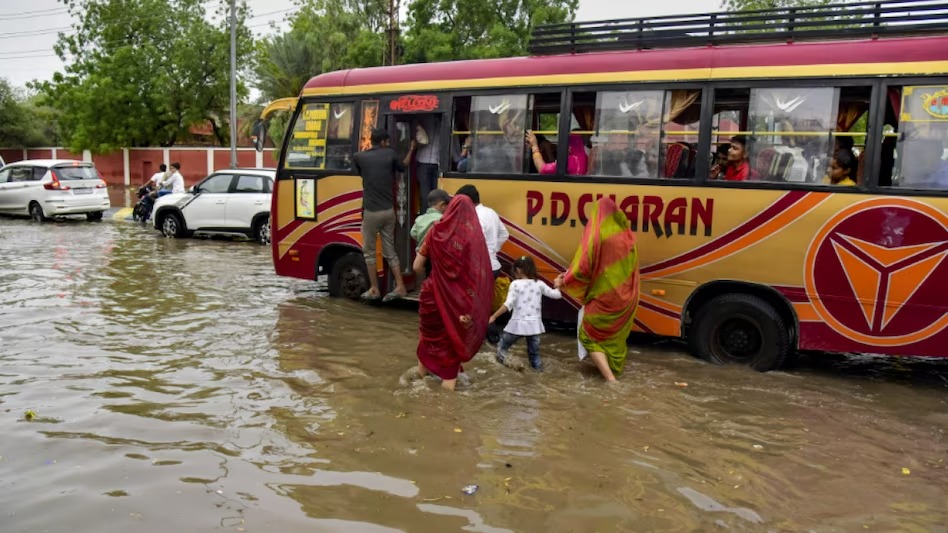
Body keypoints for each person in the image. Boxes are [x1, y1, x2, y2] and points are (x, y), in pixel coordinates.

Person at [406, 195, 494, 391]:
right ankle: (447, 408)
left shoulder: (436, 230)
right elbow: (477, 275)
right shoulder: (471, 239)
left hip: (430, 295)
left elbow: (417, 265)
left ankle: (421, 377)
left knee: (428, 338)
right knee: (451, 344)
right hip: (458, 301)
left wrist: (430, 281)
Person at [554, 197, 639, 382]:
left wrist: (564, 280)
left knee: (588, 335)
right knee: (614, 337)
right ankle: (612, 370)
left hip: (606, 297)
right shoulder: (628, 237)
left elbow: (584, 267)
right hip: (627, 297)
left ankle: (610, 380)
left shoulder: (600, 238)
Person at [352, 128, 416, 302]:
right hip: (389, 212)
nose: (389, 144)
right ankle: (401, 286)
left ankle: (374, 289)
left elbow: (359, 173)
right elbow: (403, 167)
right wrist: (411, 149)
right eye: (388, 141)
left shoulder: (359, 157)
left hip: (371, 213)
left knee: (369, 253)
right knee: (390, 251)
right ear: (382, 142)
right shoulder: (390, 155)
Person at [489, 256, 562, 371]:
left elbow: (508, 305)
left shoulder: (515, 284)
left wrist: (493, 316)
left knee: (501, 349)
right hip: (534, 326)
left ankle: (513, 366)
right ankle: (539, 375)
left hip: (517, 325)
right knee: (535, 357)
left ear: (518, 270)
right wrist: (558, 284)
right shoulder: (540, 284)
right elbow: (557, 295)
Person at [454, 184, 509, 278]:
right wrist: (492, 249)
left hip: (480, 269)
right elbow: (504, 234)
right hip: (493, 266)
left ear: (467, 201)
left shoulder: (475, 216)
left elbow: (476, 241)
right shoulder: (490, 211)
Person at [414, 116, 441, 213]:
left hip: (439, 163)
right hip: (423, 161)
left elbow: (453, 140)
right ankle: (424, 221)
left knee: (437, 196)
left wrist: (458, 159)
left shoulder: (447, 119)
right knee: (425, 196)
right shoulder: (425, 117)